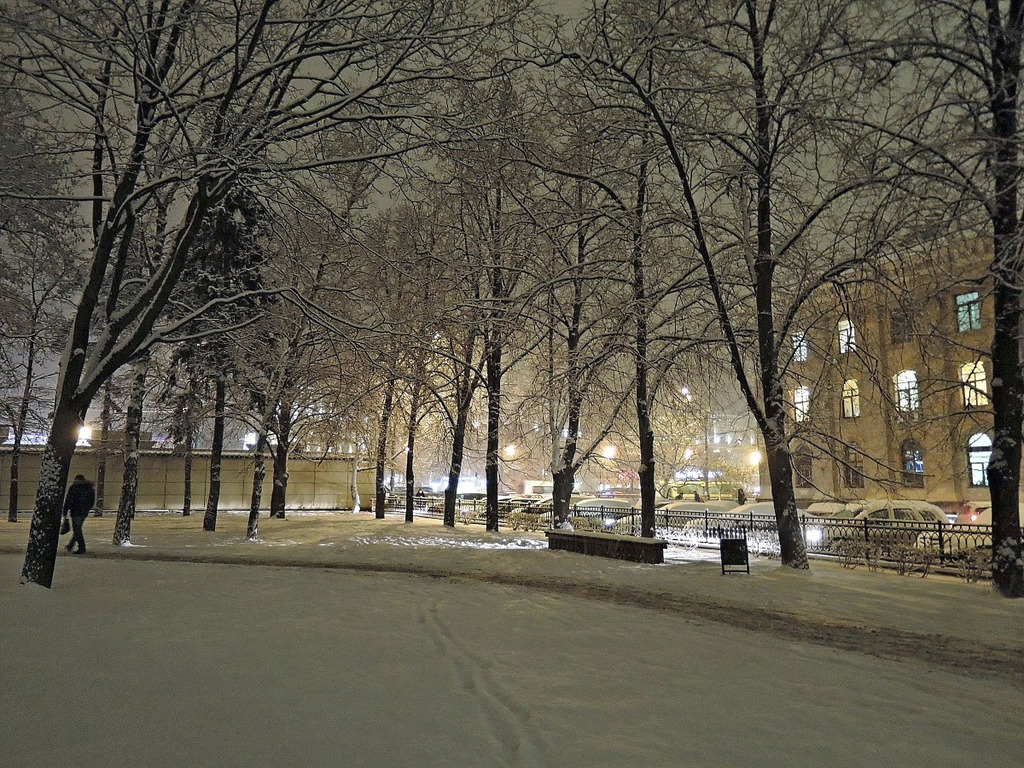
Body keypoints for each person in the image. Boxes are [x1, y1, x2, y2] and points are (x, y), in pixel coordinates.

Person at [63, 474, 95, 555]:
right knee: (78, 529)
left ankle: (82, 547)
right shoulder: (89, 488)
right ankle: (71, 545)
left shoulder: (74, 488)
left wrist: (65, 510)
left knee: (77, 529)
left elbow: (69, 499)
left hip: (76, 511)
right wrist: (87, 508)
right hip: (83, 512)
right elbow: (91, 500)